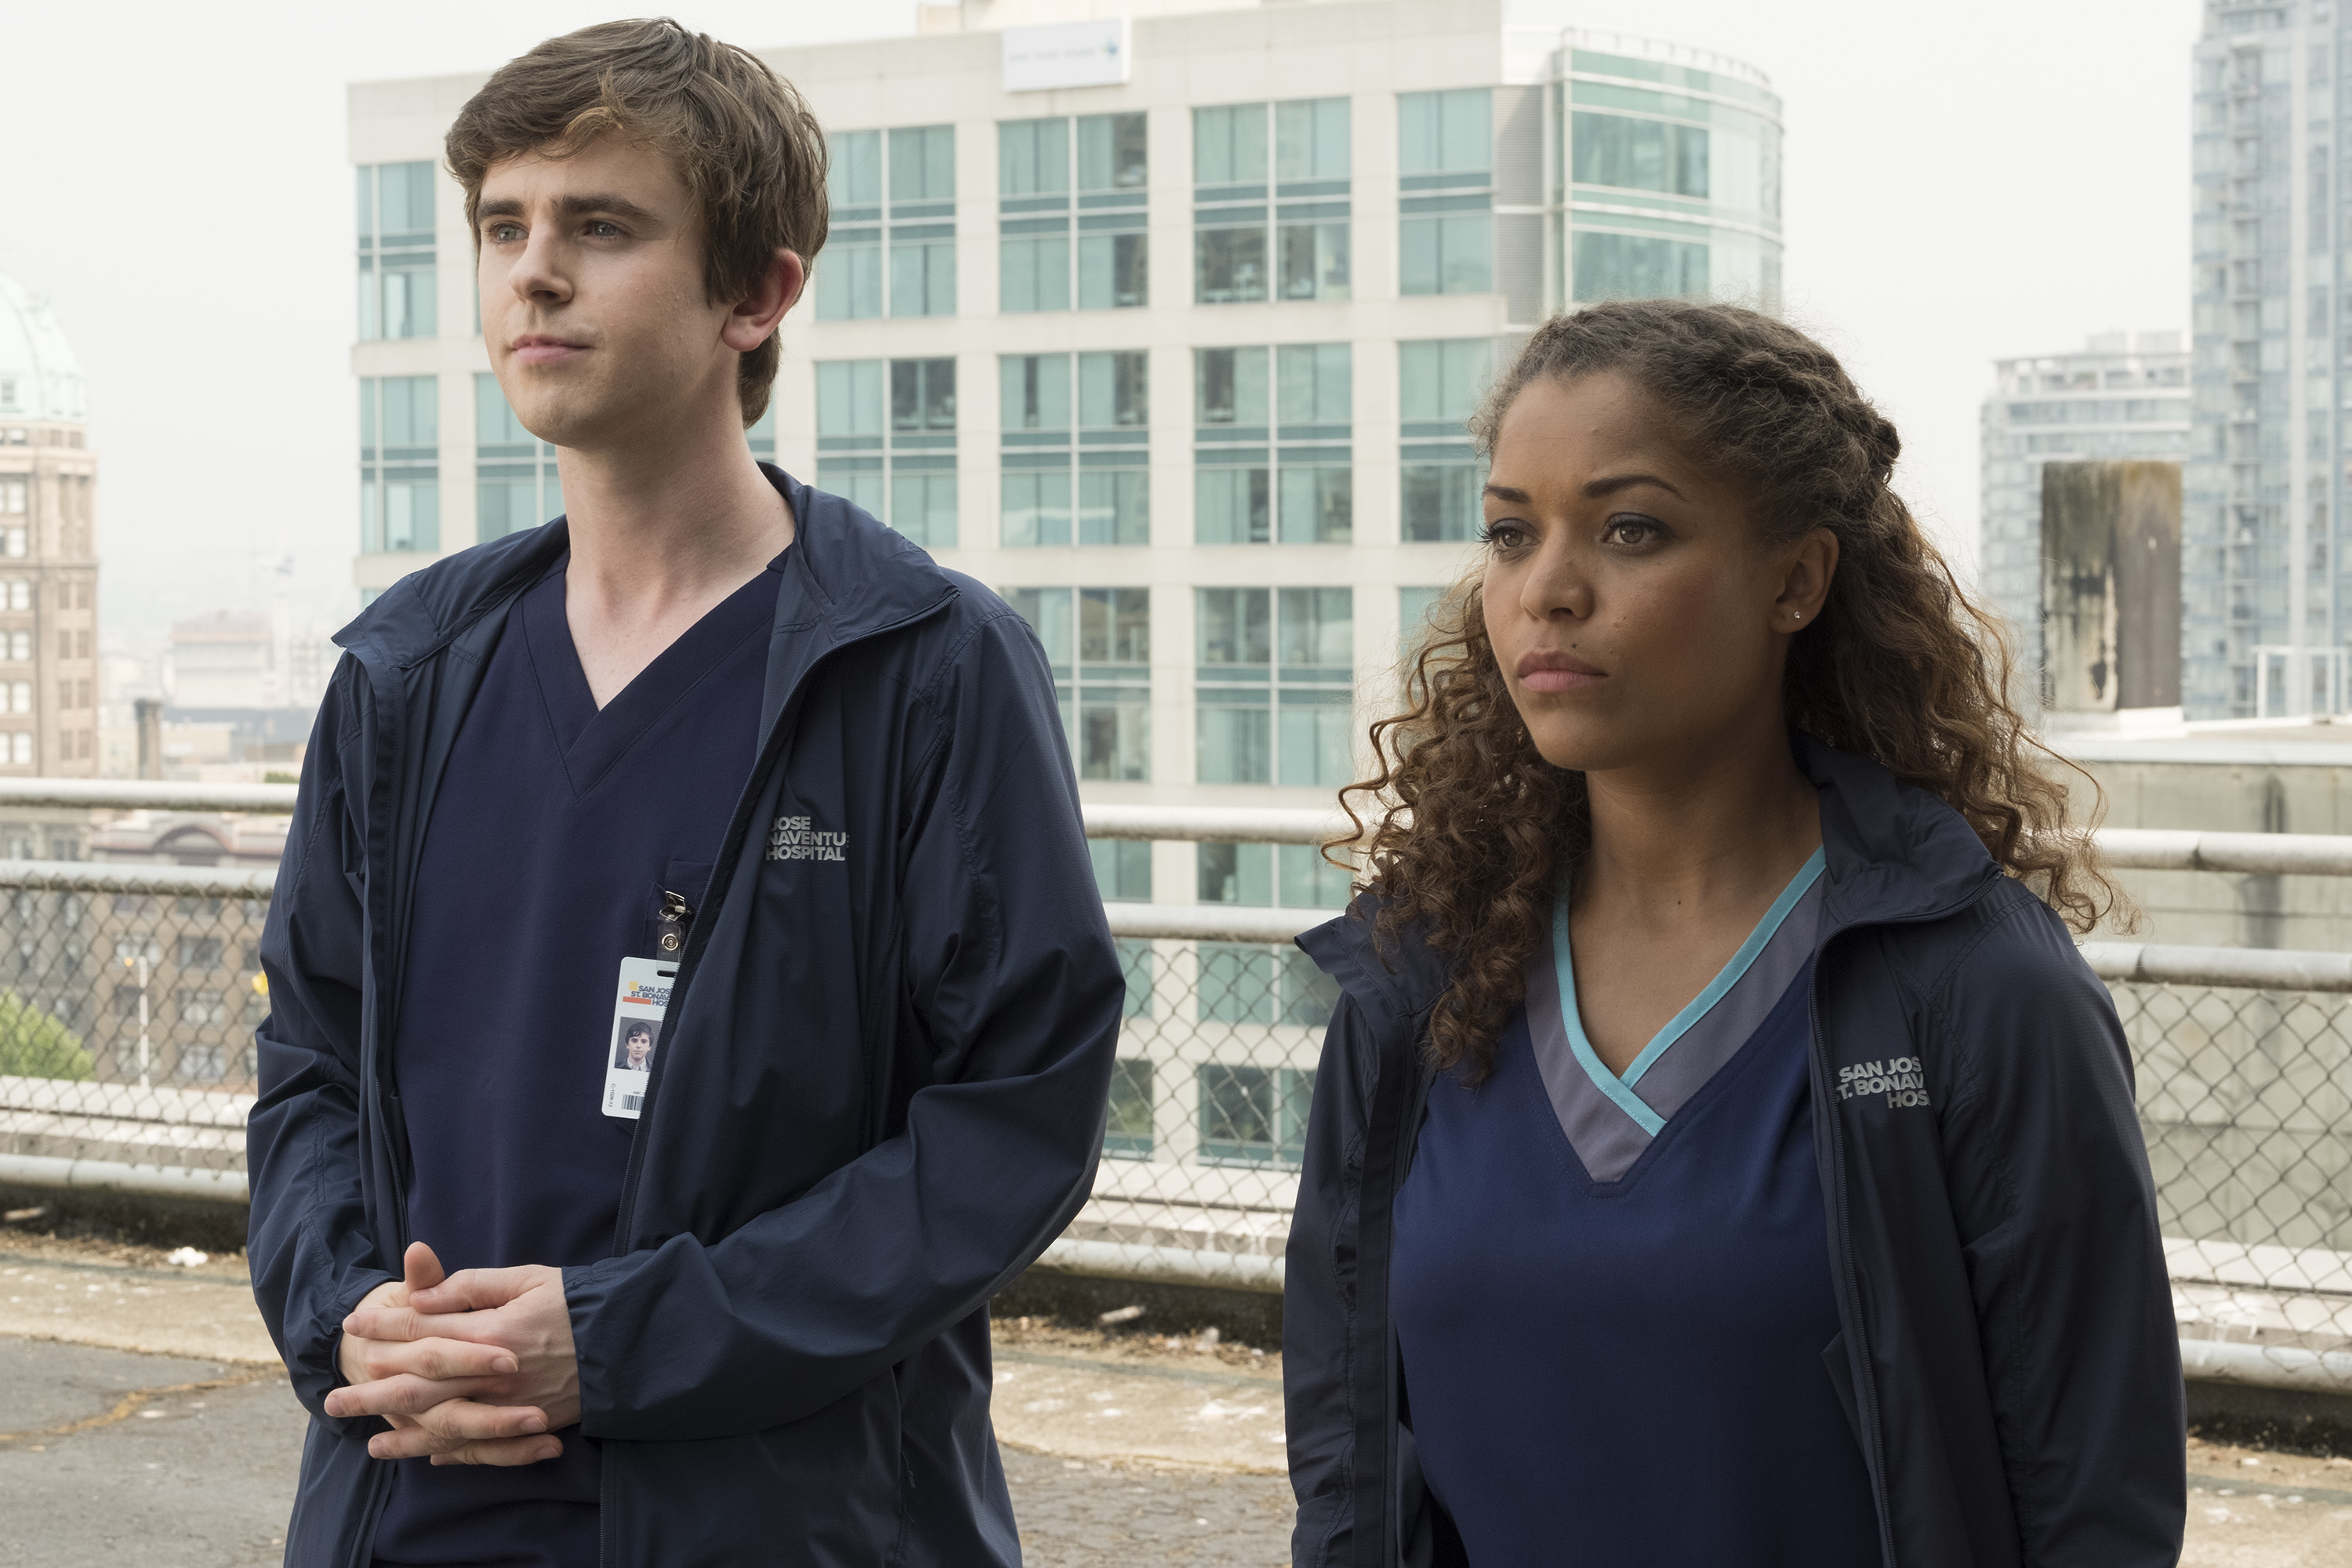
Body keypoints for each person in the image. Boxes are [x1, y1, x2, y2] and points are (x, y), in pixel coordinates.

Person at [245, 20, 1121, 1568]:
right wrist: (347, 1316)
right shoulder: (404, 674)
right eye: (504, 226)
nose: (535, 271)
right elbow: (312, 1061)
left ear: (757, 293)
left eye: (602, 226)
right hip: (410, 1508)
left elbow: (1010, 1123)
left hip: (781, 1524)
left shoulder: (921, 668)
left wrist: (622, 1337)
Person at [1283, 301, 2184, 1567]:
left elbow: (2095, 1506)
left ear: (1797, 579)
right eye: (1509, 532)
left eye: (1630, 529)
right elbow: (1346, 1444)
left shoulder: (1973, 991)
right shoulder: (1418, 976)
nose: (1547, 588)